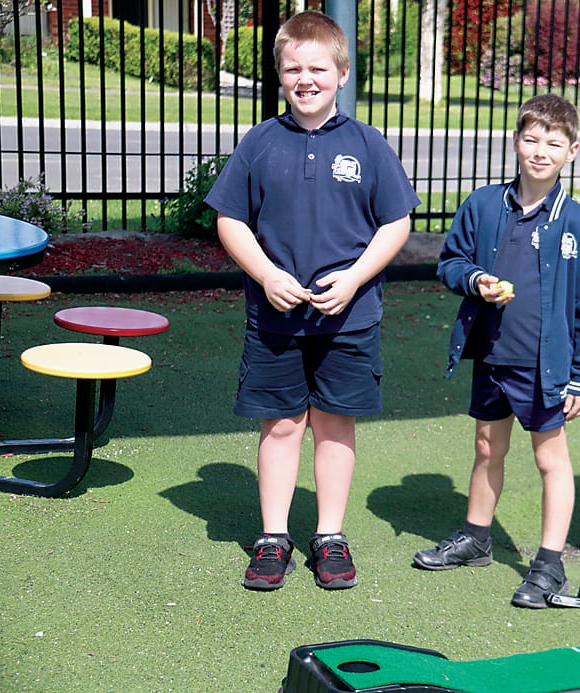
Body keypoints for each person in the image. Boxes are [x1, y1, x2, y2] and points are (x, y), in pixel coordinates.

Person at [204, 11, 420, 591]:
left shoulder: (367, 144)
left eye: (318, 68)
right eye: (293, 68)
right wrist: (267, 274)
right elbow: (231, 220)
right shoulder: (260, 142)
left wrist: (352, 280)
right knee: (280, 426)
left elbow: (395, 223)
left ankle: (329, 535)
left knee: (334, 425)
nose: (306, 78)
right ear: (279, 74)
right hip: (275, 318)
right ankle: (273, 537)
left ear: (341, 73)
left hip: (349, 319)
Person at [412, 94, 580, 609]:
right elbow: (451, 262)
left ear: (572, 151)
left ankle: (549, 564)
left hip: (546, 368)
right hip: (493, 357)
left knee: (550, 459)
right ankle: (477, 537)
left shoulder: (579, 225)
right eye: (532, 138)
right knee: (485, 447)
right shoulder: (482, 205)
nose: (540, 150)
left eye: (553, 142)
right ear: (515, 142)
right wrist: (476, 280)